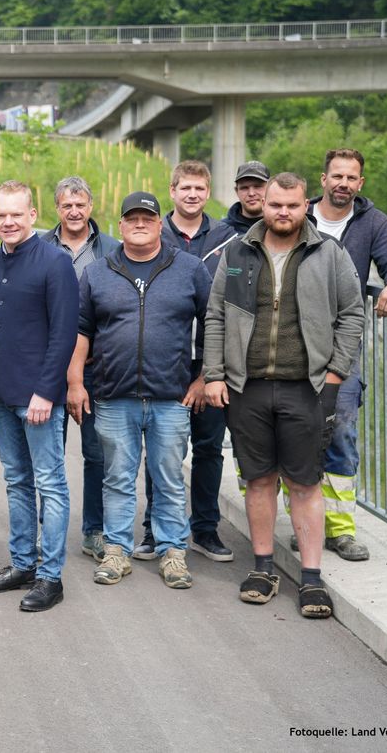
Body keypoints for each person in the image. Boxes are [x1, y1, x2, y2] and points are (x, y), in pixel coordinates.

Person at [204, 173, 365, 618]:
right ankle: (262, 569)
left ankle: (311, 579)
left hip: (306, 387)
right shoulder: (238, 252)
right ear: (264, 204)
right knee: (258, 480)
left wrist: (335, 374)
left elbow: (352, 313)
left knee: (305, 483)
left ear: (304, 206)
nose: (283, 212)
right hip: (248, 386)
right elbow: (216, 314)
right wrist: (214, 374)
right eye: (275, 204)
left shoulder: (328, 253)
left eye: (292, 206)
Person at [66, 192, 211, 590]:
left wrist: (204, 378)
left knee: (169, 480)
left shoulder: (190, 269)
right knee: (117, 478)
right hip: (114, 396)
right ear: (121, 226)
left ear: (160, 224)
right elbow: (81, 331)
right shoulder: (97, 272)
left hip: (171, 397)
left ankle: (172, 552)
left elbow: (213, 322)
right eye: (132, 218)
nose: (140, 224)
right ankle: (116, 550)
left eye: (147, 217)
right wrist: (75, 382)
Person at [0, 181, 78, 612]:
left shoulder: (55, 262)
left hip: (38, 398)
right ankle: (22, 564)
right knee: (16, 480)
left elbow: (64, 334)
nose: (8, 222)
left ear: (32, 215)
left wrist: (46, 392)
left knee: (50, 483)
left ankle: (50, 577)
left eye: (16, 214)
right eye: (1, 215)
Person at [305, 148, 387, 561]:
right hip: (294, 344)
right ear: (323, 179)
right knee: (298, 435)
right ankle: (306, 525)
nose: (343, 183)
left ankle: (341, 531)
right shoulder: (301, 214)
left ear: (360, 183)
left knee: (341, 433)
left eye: (351, 177)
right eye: (337, 176)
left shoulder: (373, 222)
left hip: (343, 346)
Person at [147, 160, 234, 564]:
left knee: (208, 448)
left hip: (211, 366)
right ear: (172, 191)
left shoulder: (227, 239)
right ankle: (154, 529)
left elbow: (231, 307)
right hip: (162, 365)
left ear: (208, 192)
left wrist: (208, 373)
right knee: (160, 450)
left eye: (199, 188)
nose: (192, 194)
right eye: (185, 188)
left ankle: (204, 529)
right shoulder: (152, 233)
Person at [40, 176, 116, 562]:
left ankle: (94, 531)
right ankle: (46, 532)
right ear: (57, 208)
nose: (74, 211)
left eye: (80, 204)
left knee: (96, 454)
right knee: (47, 455)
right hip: (48, 367)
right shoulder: (38, 247)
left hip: (96, 368)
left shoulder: (112, 250)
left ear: (91, 207)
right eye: (67, 205)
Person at [204, 161, 271, 265]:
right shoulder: (221, 231)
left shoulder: (280, 228)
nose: (251, 193)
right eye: (244, 188)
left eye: (257, 186)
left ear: (270, 188)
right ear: (236, 191)